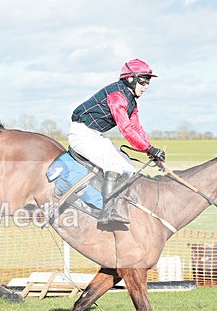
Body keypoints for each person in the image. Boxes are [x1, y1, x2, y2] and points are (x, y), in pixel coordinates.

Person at [68, 58, 166, 226]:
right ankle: (105, 213)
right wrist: (147, 148)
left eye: (148, 82)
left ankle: (118, 206)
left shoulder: (131, 102)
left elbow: (136, 127)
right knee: (112, 166)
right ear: (130, 79)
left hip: (95, 135)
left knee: (129, 168)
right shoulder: (117, 96)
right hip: (82, 135)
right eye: (143, 81)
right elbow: (126, 128)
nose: (146, 86)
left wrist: (150, 150)